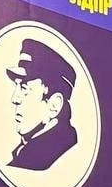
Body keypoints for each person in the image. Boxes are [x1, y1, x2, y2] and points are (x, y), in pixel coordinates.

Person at [5, 39, 78, 171]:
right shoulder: (25, 153)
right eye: (17, 86)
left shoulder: (55, 155)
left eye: (24, 88)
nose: (14, 99)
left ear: (54, 105)